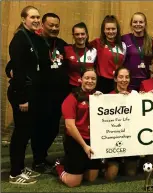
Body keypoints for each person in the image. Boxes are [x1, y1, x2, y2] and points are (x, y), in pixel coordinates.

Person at [7, 5, 52, 184]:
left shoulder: (34, 38)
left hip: (33, 94)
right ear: (23, 19)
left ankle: (20, 166)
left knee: (27, 133)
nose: (35, 20)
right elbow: (17, 70)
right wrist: (22, 98)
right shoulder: (19, 39)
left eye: (37, 17)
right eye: (32, 17)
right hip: (22, 95)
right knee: (20, 134)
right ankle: (14, 173)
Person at [31, 12, 70, 173]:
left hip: (58, 96)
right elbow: (18, 62)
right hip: (40, 95)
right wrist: (10, 69)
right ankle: (37, 160)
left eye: (56, 26)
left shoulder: (62, 44)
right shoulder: (34, 42)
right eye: (51, 25)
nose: (54, 28)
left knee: (53, 128)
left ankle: (43, 155)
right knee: (39, 127)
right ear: (43, 25)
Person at [54, 68, 102, 187]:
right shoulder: (72, 98)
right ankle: (59, 165)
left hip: (93, 140)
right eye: (87, 78)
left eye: (93, 78)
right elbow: (69, 126)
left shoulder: (98, 96)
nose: (90, 81)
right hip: (76, 140)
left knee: (91, 178)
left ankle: (80, 165)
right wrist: (85, 146)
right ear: (80, 79)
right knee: (73, 183)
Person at [104, 67, 139, 181]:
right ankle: (103, 166)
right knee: (111, 176)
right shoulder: (108, 97)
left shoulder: (135, 95)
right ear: (115, 79)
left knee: (131, 174)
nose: (124, 80)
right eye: (121, 77)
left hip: (130, 139)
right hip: (114, 140)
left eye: (127, 77)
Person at [90, 15, 127, 94]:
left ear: (117, 30)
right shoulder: (97, 43)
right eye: (108, 29)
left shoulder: (122, 45)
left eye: (113, 29)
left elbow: (122, 62)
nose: (111, 31)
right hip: (102, 82)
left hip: (117, 82)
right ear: (103, 30)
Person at [121, 12, 153, 91]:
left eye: (141, 22)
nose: (138, 24)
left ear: (145, 24)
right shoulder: (124, 39)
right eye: (135, 22)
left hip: (145, 82)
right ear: (131, 24)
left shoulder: (151, 41)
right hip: (128, 82)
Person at [64, 22, 97, 90]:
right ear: (73, 36)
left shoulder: (93, 51)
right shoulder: (66, 50)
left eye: (82, 34)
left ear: (86, 35)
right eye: (77, 34)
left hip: (88, 87)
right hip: (71, 87)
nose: (80, 36)